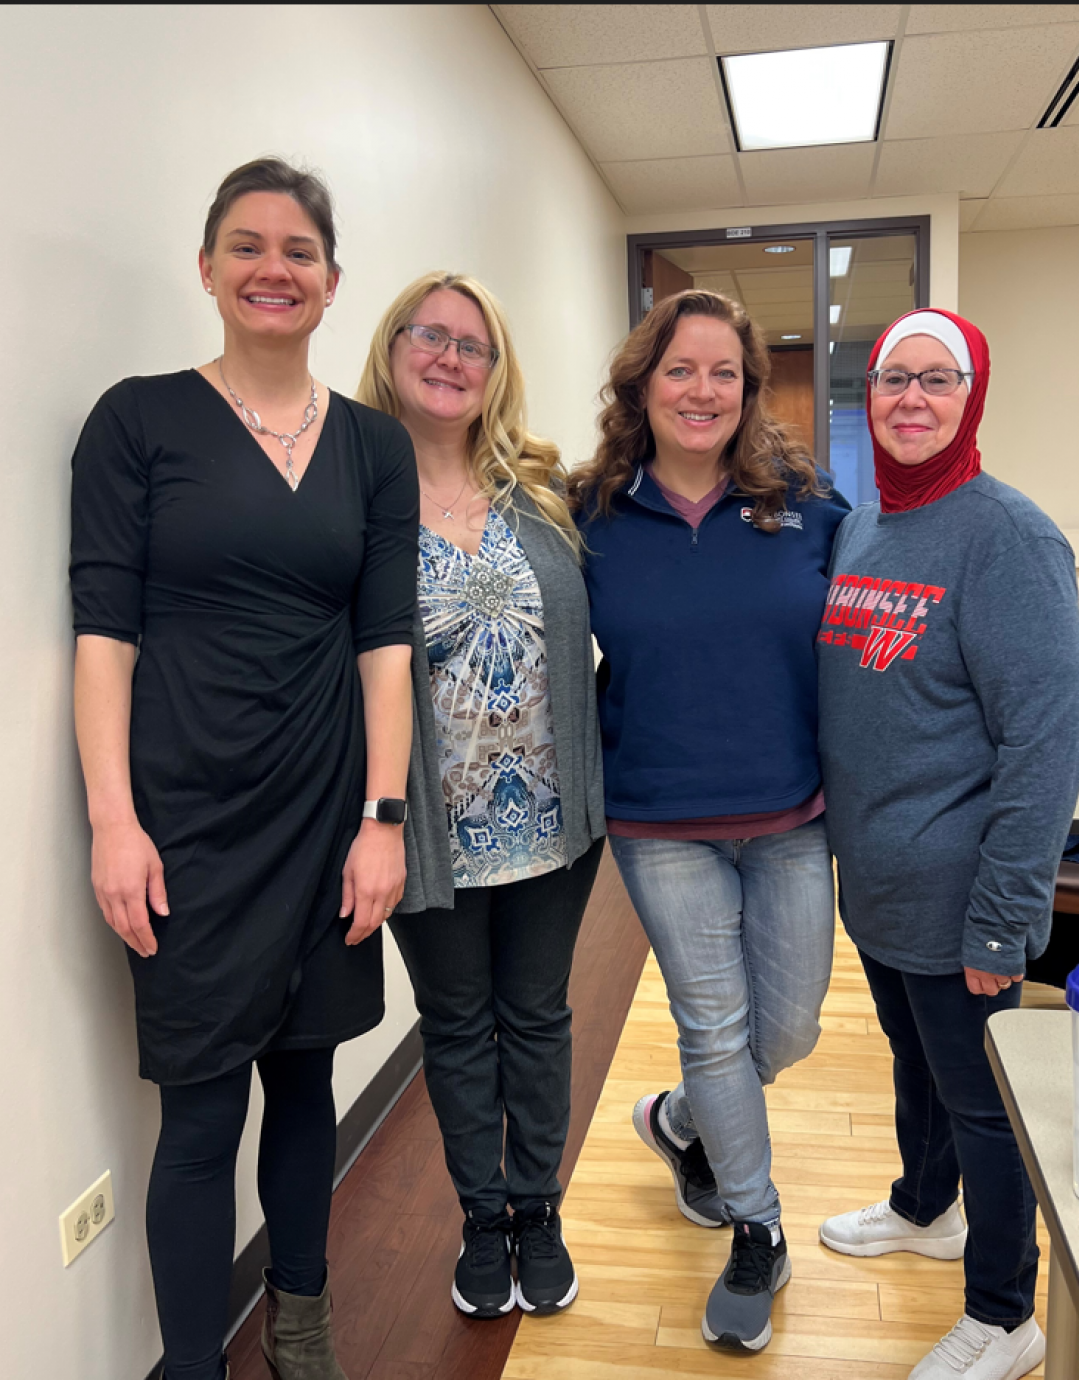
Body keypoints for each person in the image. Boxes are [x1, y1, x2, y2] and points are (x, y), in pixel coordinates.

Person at [70, 158, 418, 1380]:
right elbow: (103, 640)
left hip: (328, 815)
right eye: (248, 245)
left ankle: (302, 1325)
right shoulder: (138, 421)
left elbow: (386, 650)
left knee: (307, 1082)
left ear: (331, 284)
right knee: (203, 1111)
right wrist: (113, 822)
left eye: (299, 251)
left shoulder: (375, 449)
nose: (275, 268)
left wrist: (384, 819)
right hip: (187, 823)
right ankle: (190, 1365)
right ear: (209, 268)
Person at [568, 289, 850, 1353]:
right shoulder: (590, 512)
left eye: (723, 372)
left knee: (788, 1028)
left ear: (748, 389)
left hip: (791, 813)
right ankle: (755, 1226)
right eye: (679, 369)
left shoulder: (809, 504)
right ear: (644, 382)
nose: (701, 389)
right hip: (660, 820)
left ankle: (682, 1119)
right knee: (717, 1028)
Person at [816, 309, 1079, 1380]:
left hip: (961, 892)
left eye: (939, 379)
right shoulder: (865, 524)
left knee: (985, 1106)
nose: (913, 399)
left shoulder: (1010, 537)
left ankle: (1004, 1312)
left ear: (973, 396)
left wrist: (1004, 918)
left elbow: (1045, 745)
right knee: (918, 1068)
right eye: (894, 379)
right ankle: (924, 1208)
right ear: (869, 397)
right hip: (877, 883)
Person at [357, 272, 605, 1319]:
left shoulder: (542, 491)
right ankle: (483, 1221)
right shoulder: (350, 495)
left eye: (476, 346)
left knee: (538, 1017)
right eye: (434, 337)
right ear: (394, 348)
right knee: (456, 1028)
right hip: (429, 830)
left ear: (497, 372)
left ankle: (540, 1212)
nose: (453, 359)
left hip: (552, 823)